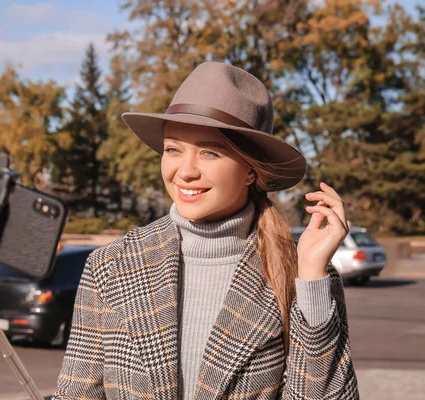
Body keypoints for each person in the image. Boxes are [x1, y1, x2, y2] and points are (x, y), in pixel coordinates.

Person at [53, 62, 358, 399]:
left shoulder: (300, 273)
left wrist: (312, 279)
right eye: (173, 149)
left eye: (209, 153)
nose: (185, 172)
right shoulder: (110, 267)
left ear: (250, 172)